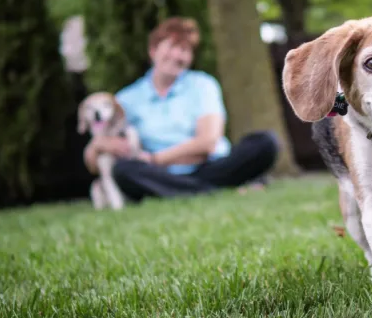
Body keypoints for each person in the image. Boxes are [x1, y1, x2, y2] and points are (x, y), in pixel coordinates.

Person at [83, 17, 279, 201]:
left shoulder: (203, 85)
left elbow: (208, 142)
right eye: (172, 47)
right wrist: (98, 145)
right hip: (161, 175)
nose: (178, 56)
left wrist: (155, 158)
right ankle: (215, 190)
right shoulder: (127, 99)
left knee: (265, 143)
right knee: (123, 170)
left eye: (185, 50)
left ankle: (189, 189)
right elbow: (92, 164)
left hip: (212, 166)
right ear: (153, 51)